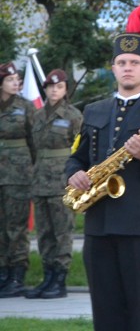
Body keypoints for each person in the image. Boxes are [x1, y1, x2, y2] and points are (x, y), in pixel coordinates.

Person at [65, 33, 140, 331]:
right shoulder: (93, 111)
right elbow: (77, 157)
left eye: (135, 62)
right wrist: (73, 172)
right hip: (99, 226)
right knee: (104, 312)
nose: (127, 68)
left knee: (139, 311)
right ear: (114, 67)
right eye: (121, 62)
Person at [26, 69, 83, 300]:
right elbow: (33, 146)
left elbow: (80, 148)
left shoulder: (73, 115)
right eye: (50, 87)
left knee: (62, 231)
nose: (54, 90)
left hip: (61, 181)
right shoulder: (38, 116)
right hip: (40, 180)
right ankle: (47, 276)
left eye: (58, 87)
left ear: (65, 89)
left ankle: (59, 279)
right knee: (44, 232)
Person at [0, 62, 35, 298]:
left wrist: (33, 169)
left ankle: (17, 274)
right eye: (11, 80)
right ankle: (3, 272)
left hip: (19, 173)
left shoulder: (26, 107)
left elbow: (35, 141)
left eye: (18, 80)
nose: (16, 83)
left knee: (16, 226)